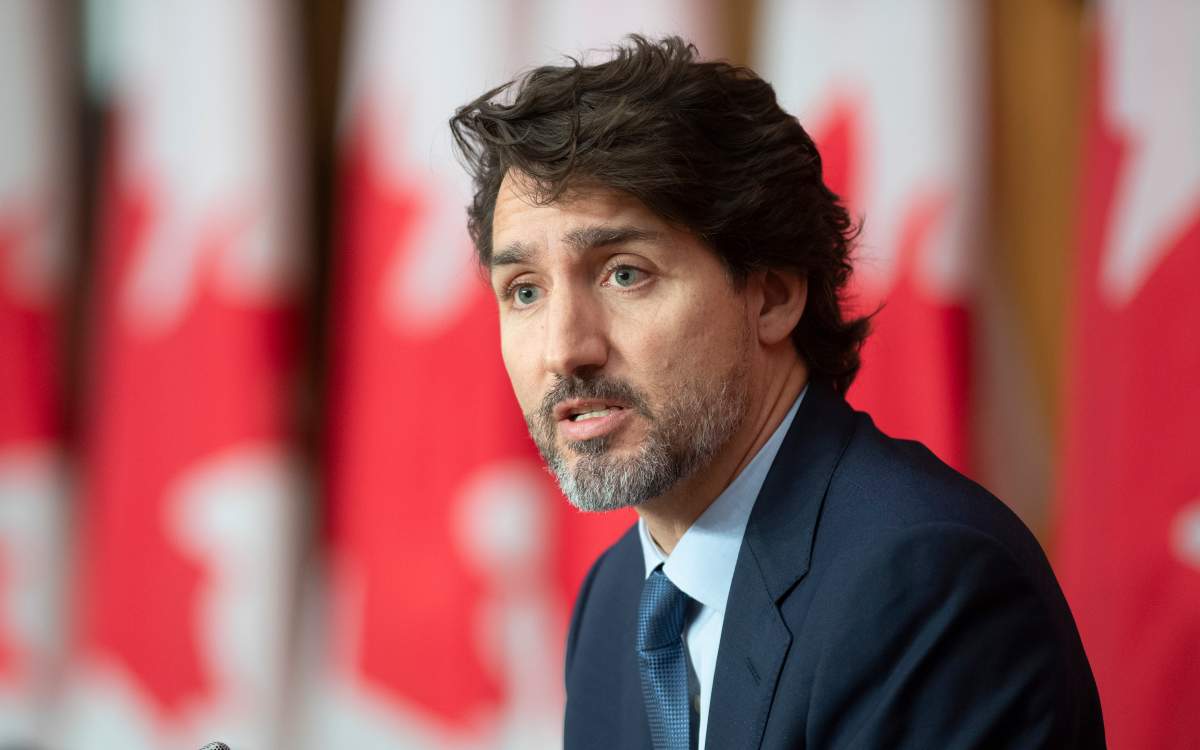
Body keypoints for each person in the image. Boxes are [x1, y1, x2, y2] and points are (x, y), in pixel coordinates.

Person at [450, 35, 1105, 750]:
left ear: (773, 295)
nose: (564, 349)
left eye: (624, 273)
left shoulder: (925, 583)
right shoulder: (614, 601)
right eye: (524, 291)